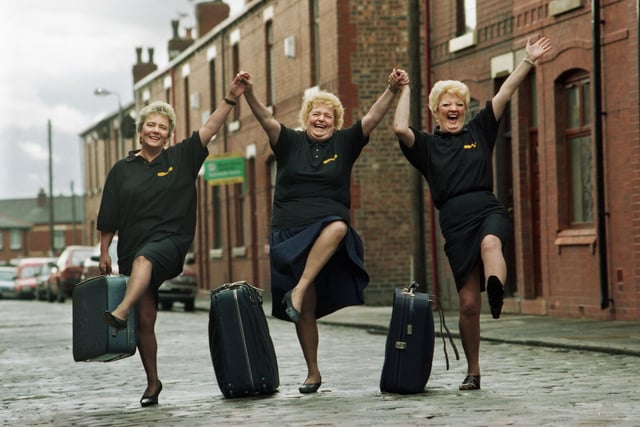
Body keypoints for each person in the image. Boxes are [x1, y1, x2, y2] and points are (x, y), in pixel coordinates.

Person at [393, 36, 552, 391]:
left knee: (492, 242)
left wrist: (527, 61)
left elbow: (505, 93)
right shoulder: (428, 147)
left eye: (459, 104)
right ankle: (474, 370)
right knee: (467, 305)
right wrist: (403, 91)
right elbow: (400, 129)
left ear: (465, 108)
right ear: (436, 110)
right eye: (447, 105)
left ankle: (496, 290)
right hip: (454, 221)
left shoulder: (480, 129)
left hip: (486, 207)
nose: (454, 109)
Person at [238, 68, 408, 393]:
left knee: (339, 225)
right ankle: (312, 372)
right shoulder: (289, 141)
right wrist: (248, 93)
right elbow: (266, 119)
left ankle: (299, 287)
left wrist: (392, 90)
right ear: (306, 117)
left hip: (327, 229)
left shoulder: (345, 143)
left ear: (336, 120)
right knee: (306, 308)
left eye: (328, 115)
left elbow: (372, 118)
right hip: (289, 230)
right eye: (316, 113)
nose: (321, 119)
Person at [98, 75, 246, 407]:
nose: (155, 130)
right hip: (132, 244)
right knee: (147, 318)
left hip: (170, 241)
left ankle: (120, 312)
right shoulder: (122, 170)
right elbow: (109, 213)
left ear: (170, 133)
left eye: (162, 127)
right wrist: (104, 250)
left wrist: (231, 97)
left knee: (144, 261)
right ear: (140, 130)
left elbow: (210, 128)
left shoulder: (181, 158)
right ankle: (152, 383)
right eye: (150, 125)